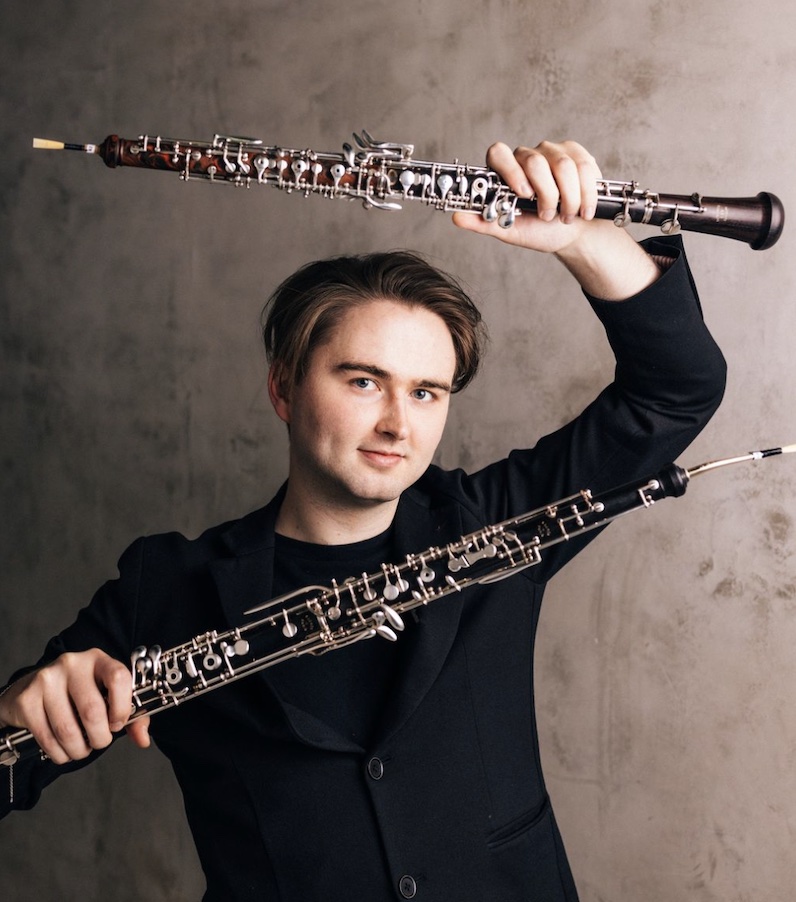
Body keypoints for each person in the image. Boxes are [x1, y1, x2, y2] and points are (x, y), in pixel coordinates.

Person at [0, 139, 726, 900]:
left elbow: (677, 388)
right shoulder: (168, 586)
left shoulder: (496, 524)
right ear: (283, 389)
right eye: (363, 381)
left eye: (425, 392)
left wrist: (582, 234)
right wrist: (21, 708)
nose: (397, 425)